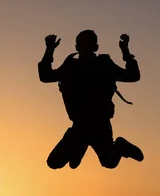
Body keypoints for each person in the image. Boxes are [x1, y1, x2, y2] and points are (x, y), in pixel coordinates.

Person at [38, 29, 144, 169]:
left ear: (95, 47)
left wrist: (126, 52)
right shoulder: (71, 67)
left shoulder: (104, 65)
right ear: (78, 47)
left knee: (109, 162)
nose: (85, 48)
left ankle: (118, 146)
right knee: (53, 162)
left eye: (88, 45)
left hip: (99, 126)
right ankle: (77, 153)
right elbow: (45, 76)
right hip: (80, 127)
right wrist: (49, 50)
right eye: (83, 45)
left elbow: (133, 76)